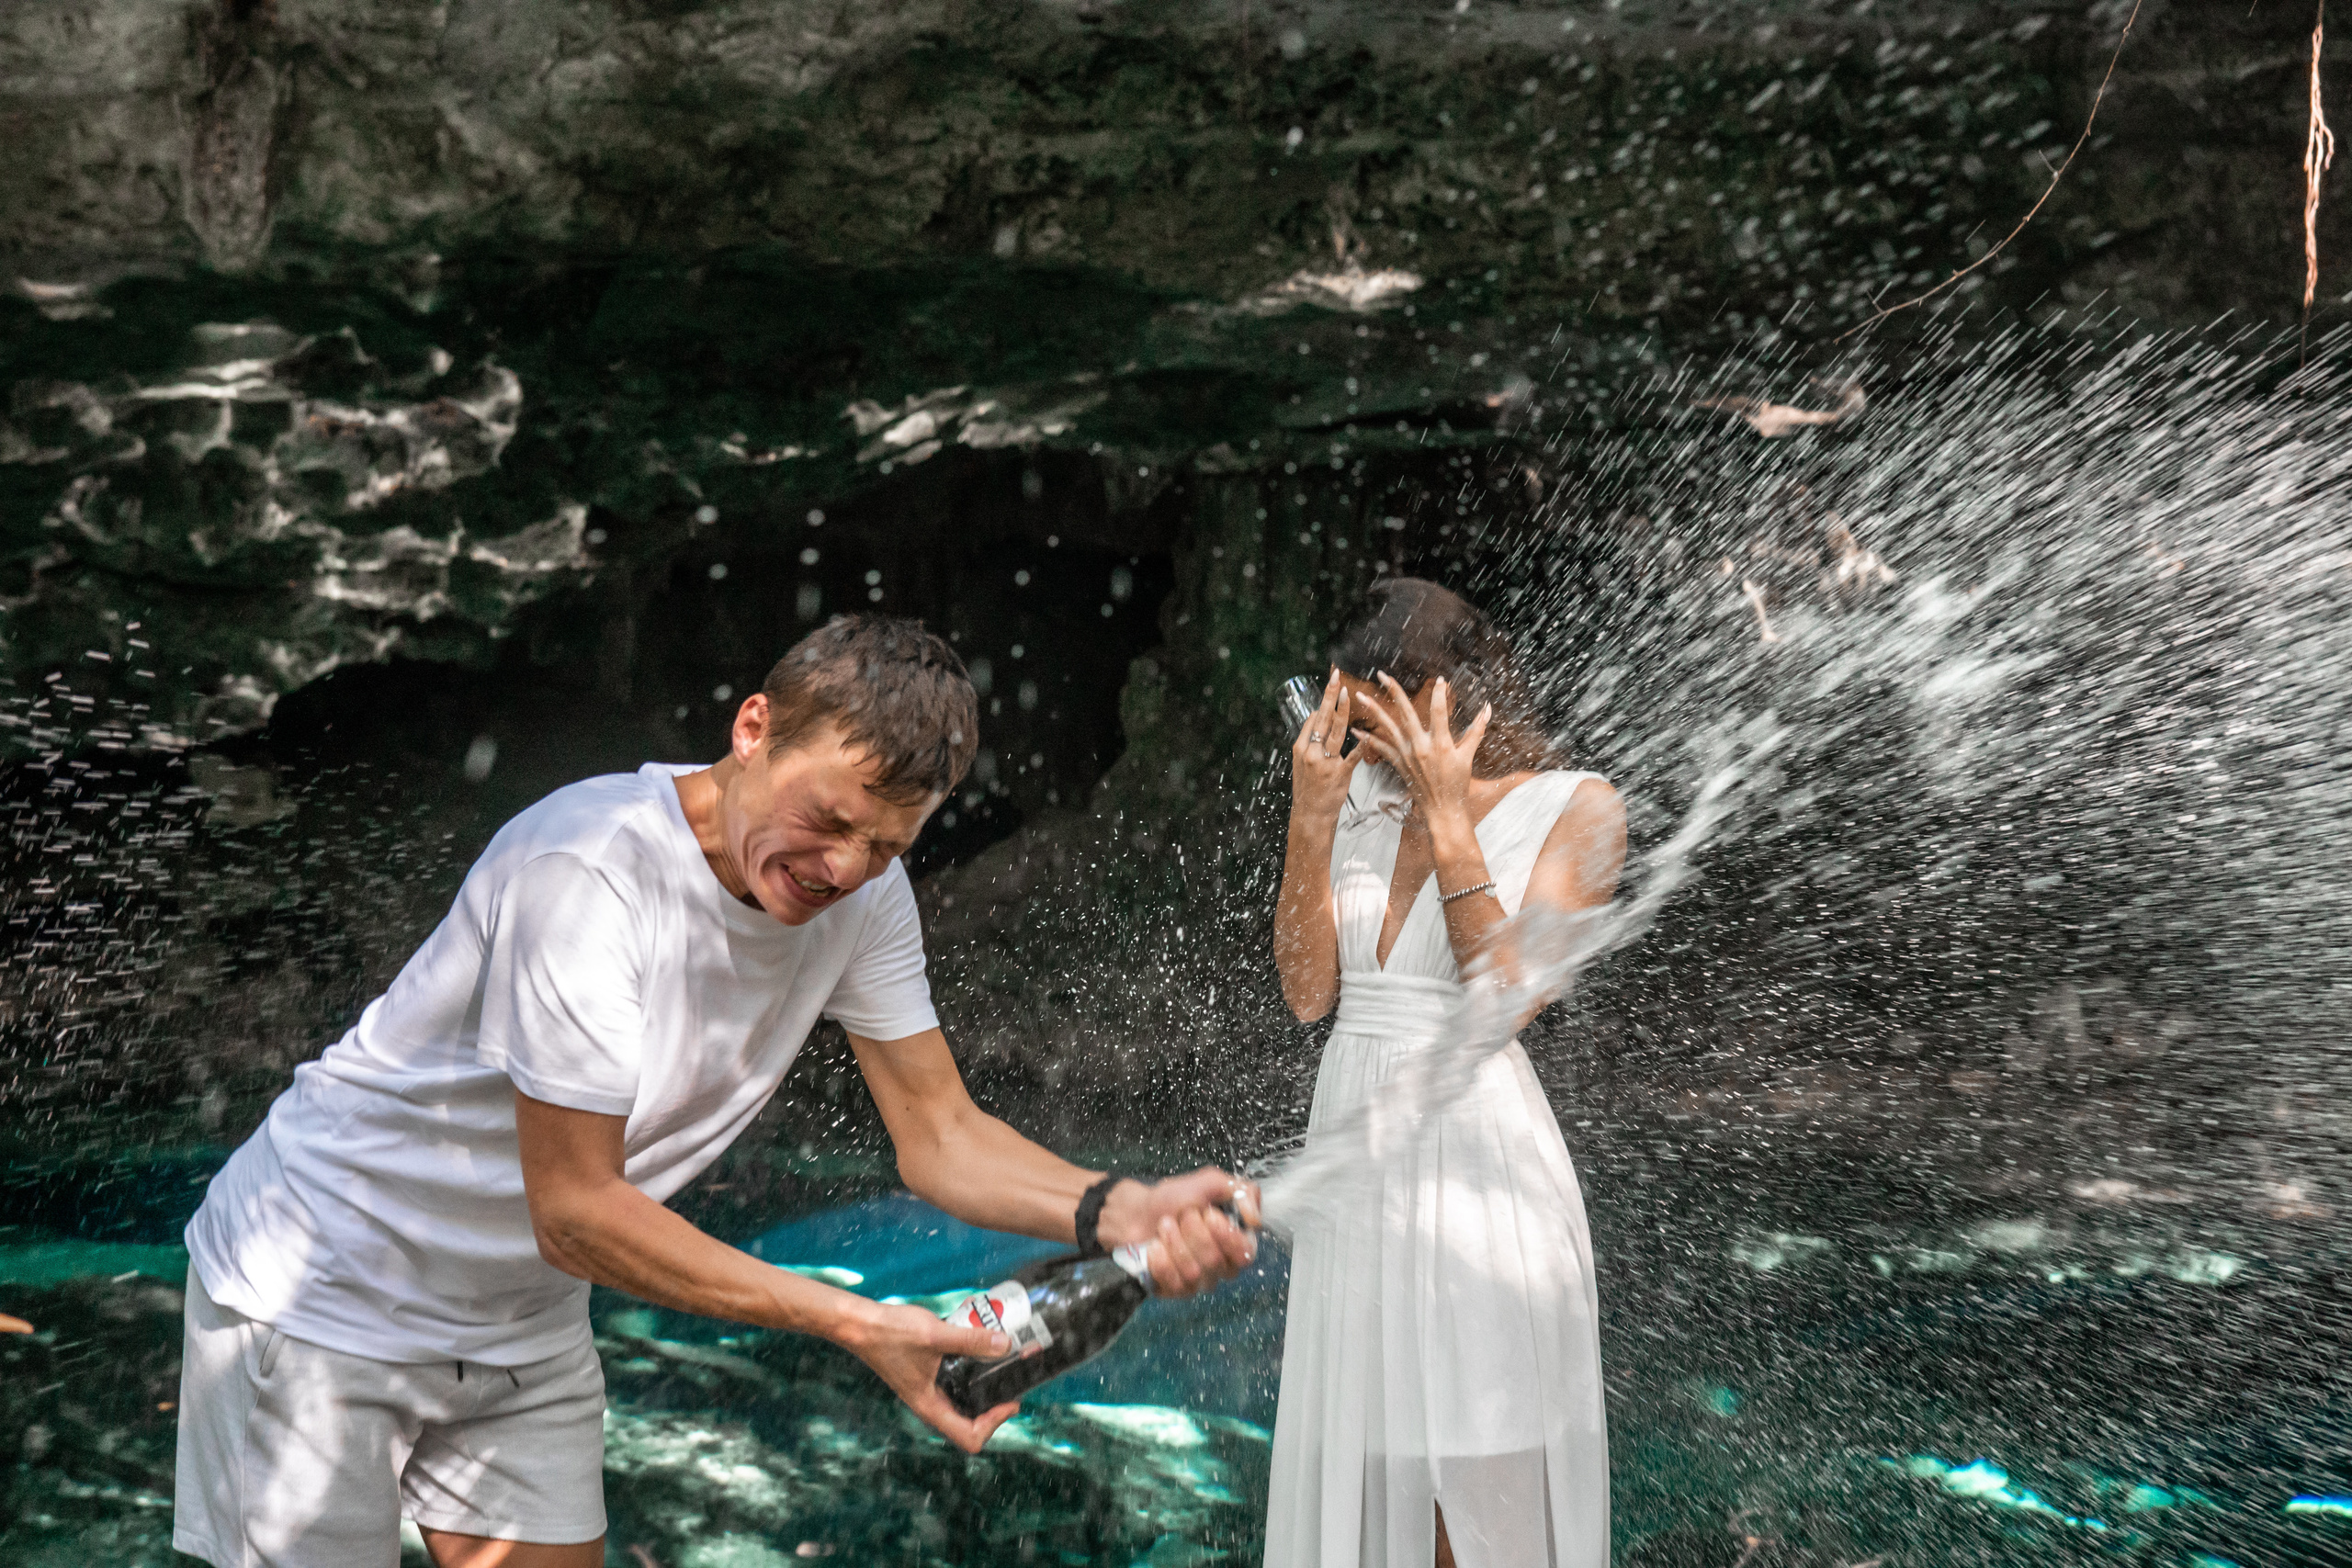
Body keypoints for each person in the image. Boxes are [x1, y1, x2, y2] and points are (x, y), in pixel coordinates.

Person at [172, 615, 1257, 1568]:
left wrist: (1118, 1205)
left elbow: (939, 1133)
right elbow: (577, 1211)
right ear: (753, 730)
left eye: (886, 846)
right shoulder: (587, 873)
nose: (843, 867)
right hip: (319, 1290)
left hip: (518, 1323)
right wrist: (856, 1321)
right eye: (829, 821)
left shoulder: (865, 902)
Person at [1265, 580, 1626, 1568]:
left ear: (1443, 700)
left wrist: (1448, 817)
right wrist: (1311, 817)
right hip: (1360, 1169)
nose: (1358, 744)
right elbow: (1307, 994)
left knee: (1480, 1477)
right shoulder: (1356, 802)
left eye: (1370, 717)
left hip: (1481, 1174)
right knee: (1372, 1473)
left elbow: (1505, 998)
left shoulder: (1577, 808)